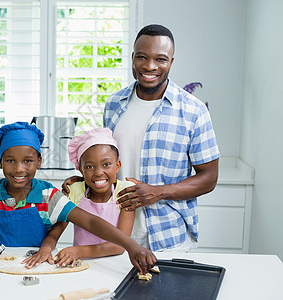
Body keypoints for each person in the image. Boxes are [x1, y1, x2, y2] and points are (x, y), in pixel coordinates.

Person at [64, 24, 220, 252]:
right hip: (114, 236)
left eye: (161, 59)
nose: (150, 66)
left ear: (171, 62)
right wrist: (82, 181)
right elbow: (107, 161)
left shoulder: (193, 111)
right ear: (132, 58)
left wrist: (158, 192)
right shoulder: (114, 104)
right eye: (142, 57)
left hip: (168, 238)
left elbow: (209, 178)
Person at [0, 122, 156, 274]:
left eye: (28, 161)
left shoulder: (49, 196)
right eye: (10, 161)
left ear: (39, 162)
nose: (19, 169)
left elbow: (89, 221)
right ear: (0, 163)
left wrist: (131, 246)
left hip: (39, 265)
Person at [50, 128, 150, 267]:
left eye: (106, 164)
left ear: (117, 166)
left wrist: (78, 251)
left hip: (113, 264)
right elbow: (55, 231)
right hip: (78, 263)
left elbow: (119, 247)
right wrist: (46, 248)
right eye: (90, 167)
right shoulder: (75, 191)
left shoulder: (124, 191)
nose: (98, 172)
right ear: (80, 170)